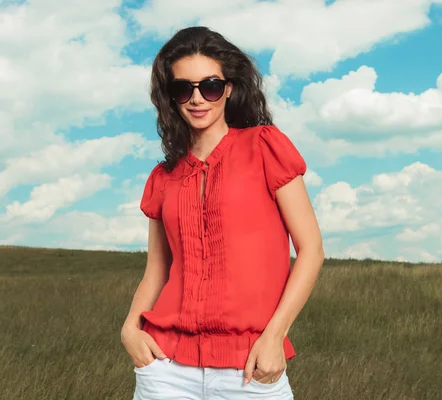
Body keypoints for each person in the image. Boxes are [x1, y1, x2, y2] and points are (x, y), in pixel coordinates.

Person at [121, 26, 325, 399]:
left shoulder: (265, 148)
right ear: (170, 96)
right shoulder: (163, 177)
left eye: (210, 86)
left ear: (229, 88)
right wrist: (130, 329)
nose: (197, 99)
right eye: (183, 88)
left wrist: (275, 335)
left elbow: (311, 250)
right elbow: (157, 268)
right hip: (165, 368)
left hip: (249, 367)